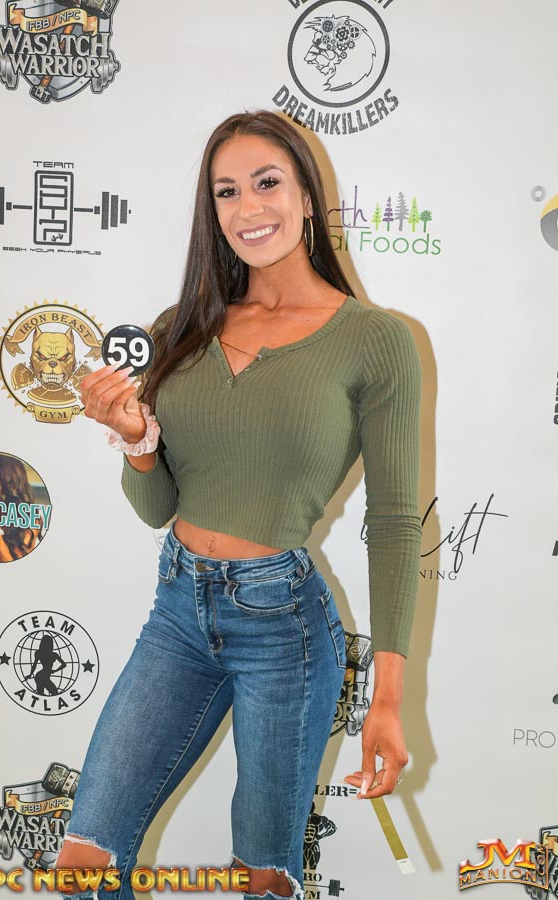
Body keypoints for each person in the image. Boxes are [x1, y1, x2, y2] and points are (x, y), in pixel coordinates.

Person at [56, 110, 422, 900]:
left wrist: (388, 699)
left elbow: (396, 523)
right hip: (177, 613)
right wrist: (136, 441)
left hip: (284, 629)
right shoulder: (181, 329)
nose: (248, 207)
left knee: (265, 879)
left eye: (266, 183)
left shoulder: (376, 340)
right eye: (227, 191)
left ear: (306, 196)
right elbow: (157, 506)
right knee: (83, 865)